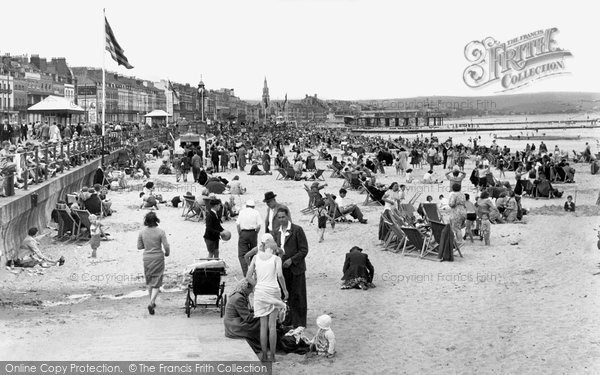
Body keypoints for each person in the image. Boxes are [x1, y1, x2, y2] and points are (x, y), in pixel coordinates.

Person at [246, 233, 289, 362]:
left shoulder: (255, 257)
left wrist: (257, 285)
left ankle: (264, 355)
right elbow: (280, 276)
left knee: (263, 326)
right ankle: (273, 356)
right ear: (271, 244)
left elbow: (248, 276)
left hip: (260, 291)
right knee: (272, 325)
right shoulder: (276, 259)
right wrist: (285, 290)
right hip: (273, 290)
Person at [275, 206, 308, 328]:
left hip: (296, 268)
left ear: (288, 216)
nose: (281, 219)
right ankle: (287, 319)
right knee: (285, 294)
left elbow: (304, 250)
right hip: (282, 268)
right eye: (279, 217)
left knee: (298, 295)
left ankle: (299, 322)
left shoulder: (297, 230)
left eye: (283, 217)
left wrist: (292, 260)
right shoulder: (276, 232)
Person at [137, 212, 170, 315]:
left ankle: (153, 301)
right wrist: (167, 253)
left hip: (147, 258)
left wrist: (148, 245)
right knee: (157, 282)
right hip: (158, 258)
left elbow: (139, 247)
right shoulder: (160, 232)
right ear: (156, 219)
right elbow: (166, 246)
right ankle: (151, 302)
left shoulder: (142, 232)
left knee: (150, 280)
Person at [224, 279, 262, 354]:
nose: (251, 291)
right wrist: (260, 313)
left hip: (232, 324)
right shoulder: (239, 298)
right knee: (261, 321)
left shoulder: (237, 295)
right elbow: (247, 318)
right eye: (251, 289)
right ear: (246, 288)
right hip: (235, 326)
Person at [237, 199, 262, 276]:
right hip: (253, 233)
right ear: (253, 206)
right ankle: (253, 271)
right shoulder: (256, 212)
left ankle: (246, 273)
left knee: (242, 254)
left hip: (243, 232)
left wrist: (240, 233)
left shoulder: (242, 212)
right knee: (253, 253)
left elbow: (238, 225)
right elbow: (259, 226)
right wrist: (256, 233)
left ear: (246, 205)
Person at [447, 184, 467, 248]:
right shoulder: (462, 194)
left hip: (456, 211)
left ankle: (459, 242)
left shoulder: (454, 194)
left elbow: (451, 204)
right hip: (463, 210)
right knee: (459, 227)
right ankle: (460, 240)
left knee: (456, 228)